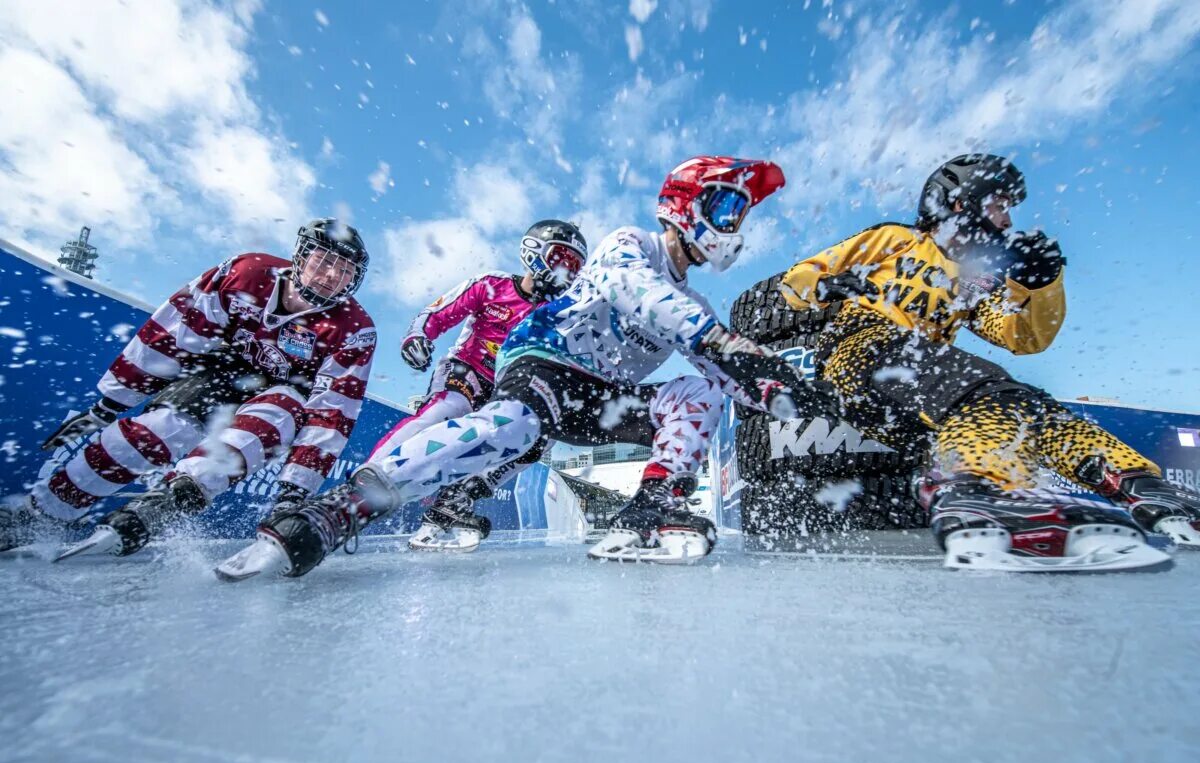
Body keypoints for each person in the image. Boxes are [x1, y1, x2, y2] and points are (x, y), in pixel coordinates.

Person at [215, 155, 832, 580]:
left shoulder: (695, 307)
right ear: (687, 204)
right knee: (513, 427)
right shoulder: (629, 245)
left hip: (603, 400)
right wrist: (726, 342)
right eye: (726, 209)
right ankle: (344, 507)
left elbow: (723, 371)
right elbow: (637, 290)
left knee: (697, 391)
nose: (733, 228)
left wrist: (784, 392)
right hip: (545, 363)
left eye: (739, 217)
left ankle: (651, 504)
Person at [777, 153, 1200, 572]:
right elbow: (795, 283)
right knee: (978, 385)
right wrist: (828, 283)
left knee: (1022, 402)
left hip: (916, 393)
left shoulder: (981, 278)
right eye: (999, 206)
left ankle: (1143, 487)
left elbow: (1023, 336)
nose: (1007, 221)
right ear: (962, 203)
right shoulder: (898, 239)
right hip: (858, 350)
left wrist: (1042, 283)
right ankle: (974, 491)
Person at [0, 219, 376, 561]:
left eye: (345, 271)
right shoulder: (246, 273)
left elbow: (333, 411)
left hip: (286, 393)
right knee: (148, 434)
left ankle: (174, 499)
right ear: (301, 255)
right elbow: (174, 333)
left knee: (267, 421)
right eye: (324, 260)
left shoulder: (353, 328)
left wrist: (294, 490)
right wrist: (110, 403)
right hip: (220, 372)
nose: (331, 275)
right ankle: (42, 513)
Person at [373, 219, 587, 552]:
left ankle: (461, 496)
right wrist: (418, 335)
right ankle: (369, 475)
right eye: (560, 258)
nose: (566, 272)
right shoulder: (492, 284)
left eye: (574, 267)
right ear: (534, 252)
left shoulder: (560, 315)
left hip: (509, 388)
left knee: (537, 439)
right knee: (450, 408)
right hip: (467, 368)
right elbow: (439, 312)